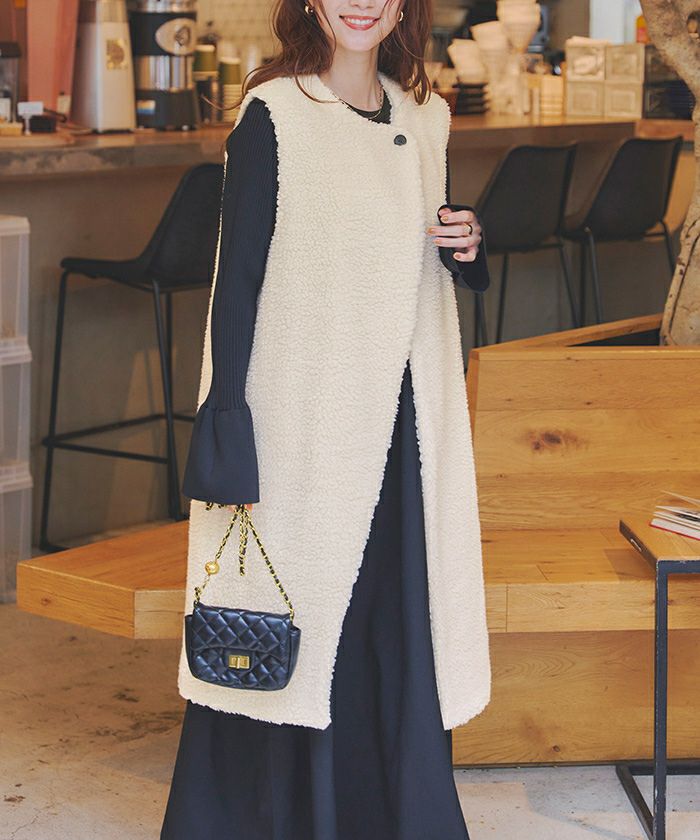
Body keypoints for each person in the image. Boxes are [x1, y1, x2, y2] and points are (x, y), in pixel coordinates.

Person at [161, 1, 492, 838]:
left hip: (404, 426)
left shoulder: (426, 116)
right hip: (307, 421)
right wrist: (226, 427)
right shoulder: (274, 114)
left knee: (393, 618)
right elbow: (235, 284)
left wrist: (466, 246)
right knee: (296, 620)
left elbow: (418, 254)